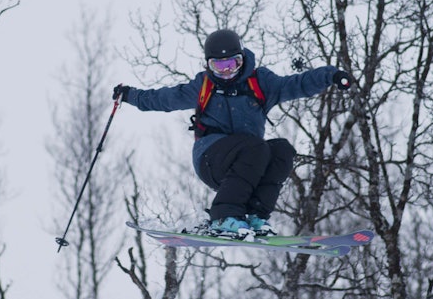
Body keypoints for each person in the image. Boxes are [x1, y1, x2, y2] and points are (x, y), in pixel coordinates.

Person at [113, 28, 352, 236]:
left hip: (249, 163)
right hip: (211, 159)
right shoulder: (203, 86)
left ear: (242, 60)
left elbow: (297, 84)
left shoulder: (261, 82)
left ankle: (255, 216)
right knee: (255, 147)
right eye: (219, 66)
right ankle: (223, 216)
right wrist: (130, 95)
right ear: (209, 65)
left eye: (232, 64)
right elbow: (164, 99)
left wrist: (331, 76)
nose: (226, 72)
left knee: (281, 150)